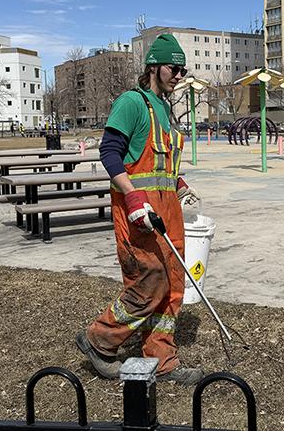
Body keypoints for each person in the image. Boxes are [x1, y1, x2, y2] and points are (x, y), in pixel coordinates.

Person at [76, 33, 203, 386]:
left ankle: (161, 358)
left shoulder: (165, 109)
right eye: (173, 68)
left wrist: (179, 184)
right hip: (139, 213)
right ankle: (99, 339)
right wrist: (133, 198)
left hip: (168, 211)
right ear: (153, 68)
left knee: (173, 285)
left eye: (183, 69)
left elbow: (157, 165)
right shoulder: (133, 103)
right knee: (150, 281)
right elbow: (110, 153)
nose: (179, 75)